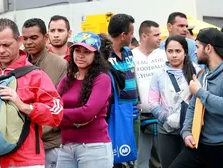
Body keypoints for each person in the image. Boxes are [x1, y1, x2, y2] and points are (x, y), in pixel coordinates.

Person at [0, 18, 63, 168]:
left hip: (24, 161)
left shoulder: (35, 76)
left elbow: (56, 114)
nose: (1, 50)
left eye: (6, 45)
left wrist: (24, 106)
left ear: (19, 40)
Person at [170, 28, 223, 168]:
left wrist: (200, 91)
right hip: (200, 144)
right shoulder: (202, 73)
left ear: (208, 48)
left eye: (197, 47)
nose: (194, 51)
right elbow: (193, 106)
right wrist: (186, 132)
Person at [56, 32, 113, 168]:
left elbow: (87, 112)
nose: (80, 55)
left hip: (94, 148)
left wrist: (61, 116)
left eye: (87, 52)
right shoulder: (67, 79)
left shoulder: (102, 79)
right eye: (77, 50)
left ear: (96, 55)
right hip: (66, 147)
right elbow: (53, 108)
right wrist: (76, 121)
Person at [22, 18, 67, 168]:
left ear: (45, 38)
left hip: (50, 144)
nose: (28, 42)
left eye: (34, 38)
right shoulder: (19, 65)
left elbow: (61, 106)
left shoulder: (60, 65)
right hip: (23, 145)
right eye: (25, 38)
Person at [149, 35, 196, 168]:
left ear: (185, 52)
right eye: (170, 51)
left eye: (178, 51)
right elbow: (152, 102)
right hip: (166, 130)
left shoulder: (197, 71)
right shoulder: (159, 74)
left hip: (191, 130)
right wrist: (167, 118)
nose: (174, 55)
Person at [108, 13, 140, 168]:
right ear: (123, 35)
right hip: (116, 115)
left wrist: (138, 101)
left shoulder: (128, 52)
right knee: (117, 158)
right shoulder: (104, 54)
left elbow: (133, 77)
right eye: (131, 33)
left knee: (132, 157)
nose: (132, 37)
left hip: (133, 112)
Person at [132, 20, 164, 168]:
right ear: (144, 36)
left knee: (163, 159)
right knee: (140, 160)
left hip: (163, 116)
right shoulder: (131, 56)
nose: (160, 38)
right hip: (140, 116)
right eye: (156, 34)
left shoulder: (164, 55)